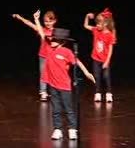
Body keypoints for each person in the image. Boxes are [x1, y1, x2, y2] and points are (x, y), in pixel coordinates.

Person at [34, 10, 95, 140]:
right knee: (56, 109)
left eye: (54, 39)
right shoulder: (49, 48)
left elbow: (77, 61)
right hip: (52, 84)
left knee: (68, 108)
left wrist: (86, 72)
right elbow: (41, 32)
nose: (51, 40)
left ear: (61, 41)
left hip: (64, 85)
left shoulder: (66, 52)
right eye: (51, 39)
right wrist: (36, 20)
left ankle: (72, 129)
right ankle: (57, 129)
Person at [12, 10, 57, 101]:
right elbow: (29, 23)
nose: (48, 23)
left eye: (50, 21)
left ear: (55, 21)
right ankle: (43, 92)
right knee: (43, 74)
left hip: (53, 56)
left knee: (53, 73)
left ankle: (53, 92)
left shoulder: (57, 32)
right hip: (43, 55)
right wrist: (19, 17)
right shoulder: (42, 30)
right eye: (46, 21)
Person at [83, 8, 116, 102]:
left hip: (105, 60)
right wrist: (87, 17)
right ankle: (97, 93)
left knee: (106, 77)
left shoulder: (109, 35)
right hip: (96, 59)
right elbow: (85, 25)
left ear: (105, 24)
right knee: (96, 76)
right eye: (96, 23)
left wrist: (107, 61)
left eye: (99, 23)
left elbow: (110, 49)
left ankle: (109, 94)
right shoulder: (96, 30)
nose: (97, 25)